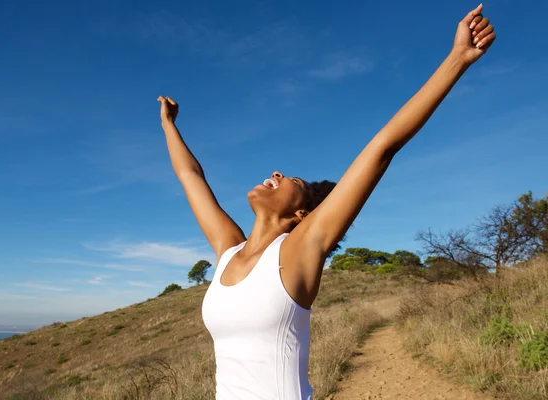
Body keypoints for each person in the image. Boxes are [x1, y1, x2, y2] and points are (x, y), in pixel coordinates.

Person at [158, 4, 495, 399]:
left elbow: (381, 148)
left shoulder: (300, 250)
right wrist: (168, 126)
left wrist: (457, 59)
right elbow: (191, 177)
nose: (278, 173)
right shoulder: (228, 252)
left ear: (302, 214)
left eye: (292, 180)